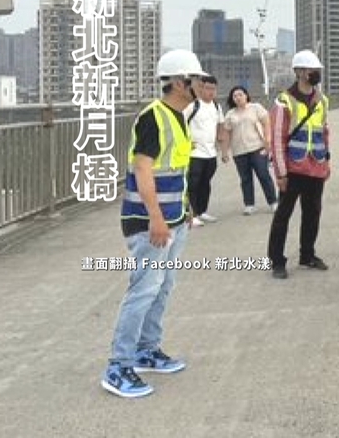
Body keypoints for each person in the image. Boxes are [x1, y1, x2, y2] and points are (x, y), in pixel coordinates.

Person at [102, 49, 205, 399]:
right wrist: (157, 219)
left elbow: (174, 171)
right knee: (144, 288)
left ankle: (147, 349)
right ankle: (118, 366)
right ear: (180, 82)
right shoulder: (153, 117)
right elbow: (143, 169)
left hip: (173, 218)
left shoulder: (179, 116)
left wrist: (185, 208)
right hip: (150, 223)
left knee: (163, 286)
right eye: (197, 79)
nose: (203, 85)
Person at [267, 50, 331, 279]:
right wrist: (281, 173)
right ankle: (277, 261)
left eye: (317, 70)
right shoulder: (284, 102)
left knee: (313, 213)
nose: (316, 74)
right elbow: (276, 139)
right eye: (312, 70)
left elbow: (324, 132)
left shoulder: (321, 100)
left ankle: (307, 254)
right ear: (300, 72)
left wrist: (327, 161)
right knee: (283, 215)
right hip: (293, 168)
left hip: (316, 165)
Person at [222, 86, 278, 215]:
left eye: (240, 94)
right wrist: (225, 152)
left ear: (246, 95)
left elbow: (266, 123)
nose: (238, 98)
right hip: (239, 151)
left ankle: (273, 202)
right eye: (235, 96)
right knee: (245, 178)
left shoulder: (255, 108)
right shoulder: (230, 114)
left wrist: (268, 141)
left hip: (257, 147)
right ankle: (249, 204)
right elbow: (226, 134)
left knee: (263, 175)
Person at [183, 75, 227, 226]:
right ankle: (192, 214)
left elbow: (221, 126)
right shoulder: (192, 105)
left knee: (205, 183)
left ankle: (202, 211)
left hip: (211, 152)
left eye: (213, 89)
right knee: (192, 183)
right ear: (200, 88)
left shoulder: (216, 106)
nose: (211, 92)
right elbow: (181, 123)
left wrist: (224, 150)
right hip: (195, 153)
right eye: (207, 88)